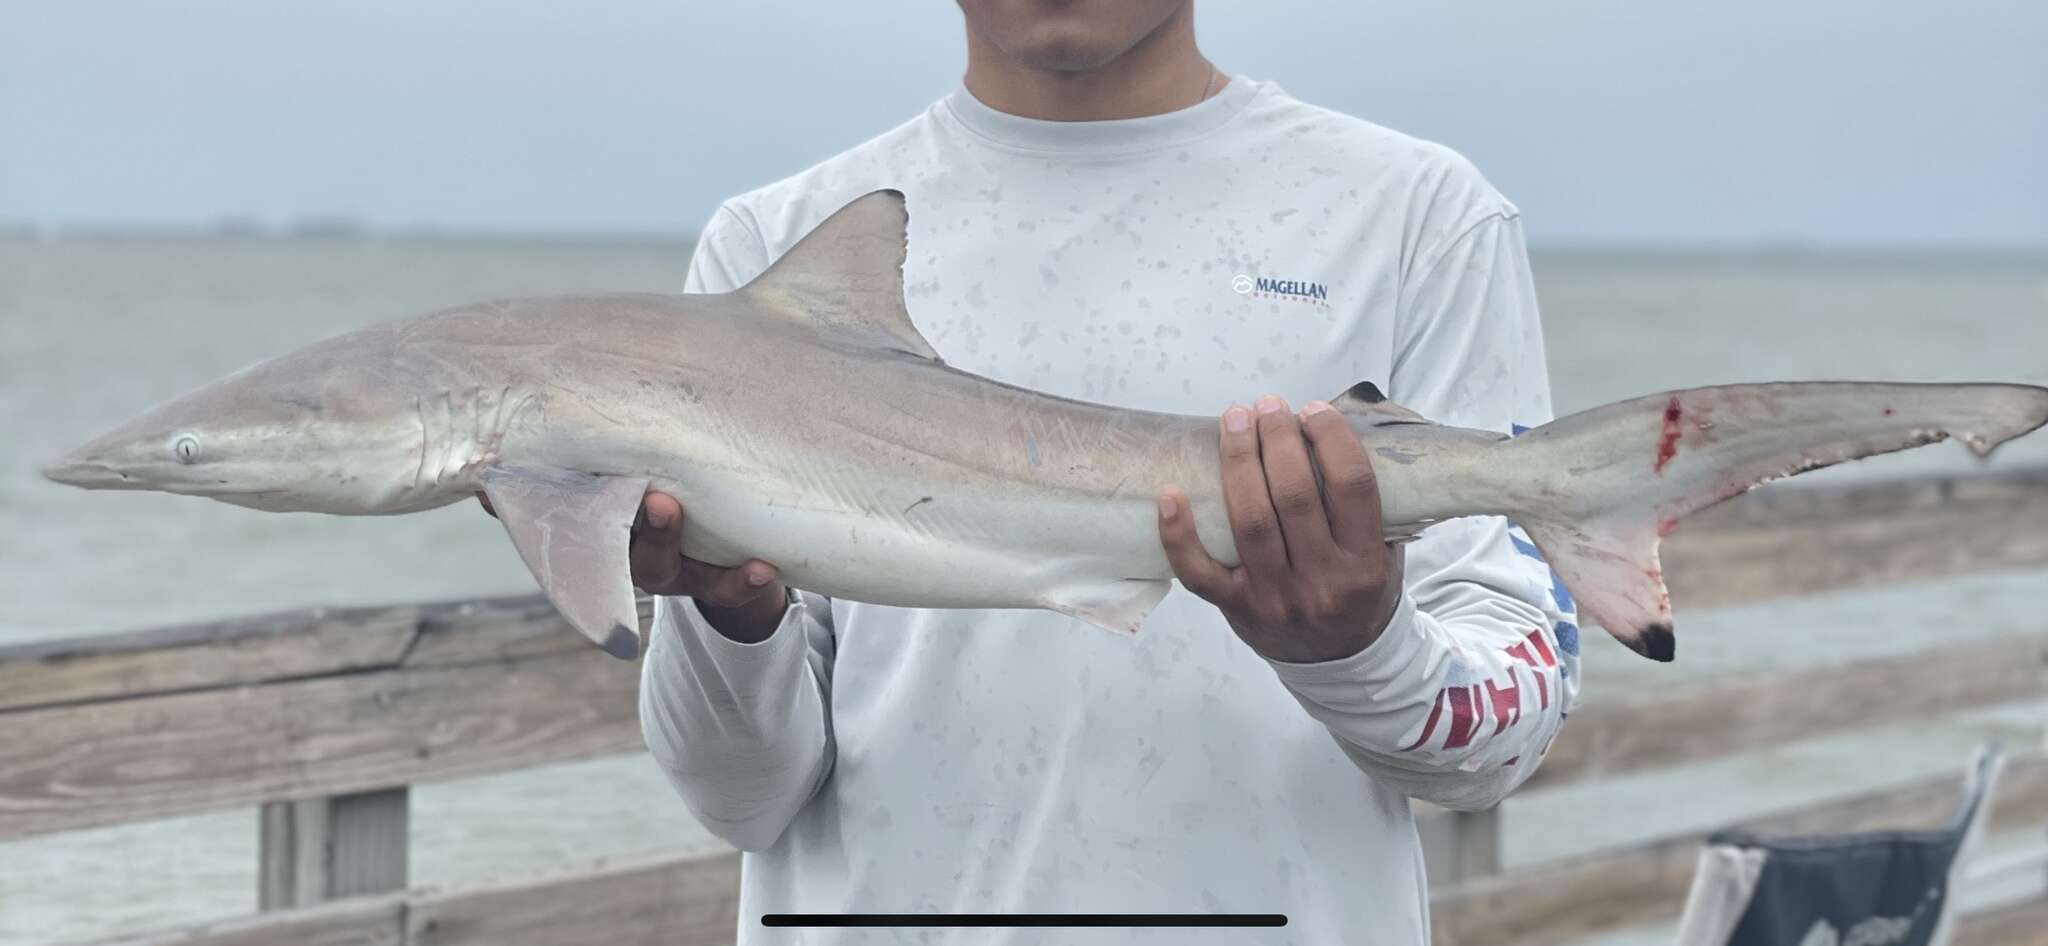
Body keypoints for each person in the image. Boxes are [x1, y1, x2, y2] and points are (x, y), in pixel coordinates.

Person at [626, 1, 1580, 942]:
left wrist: (1357, 652)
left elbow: (1503, 744)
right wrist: (730, 620)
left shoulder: (1414, 218)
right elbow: (741, 804)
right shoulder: (777, 248)